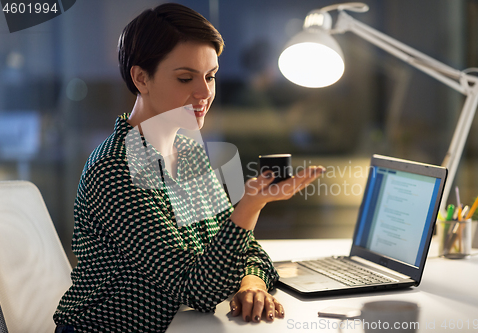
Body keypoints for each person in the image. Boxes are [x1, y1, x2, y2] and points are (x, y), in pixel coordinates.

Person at [53, 3, 324, 332]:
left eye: (210, 76)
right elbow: (197, 289)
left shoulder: (187, 152)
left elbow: (242, 247)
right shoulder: (115, 169)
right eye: (186, 78)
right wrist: (251, 205)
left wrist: (252, 283)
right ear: (141, 78)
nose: (205, 92)